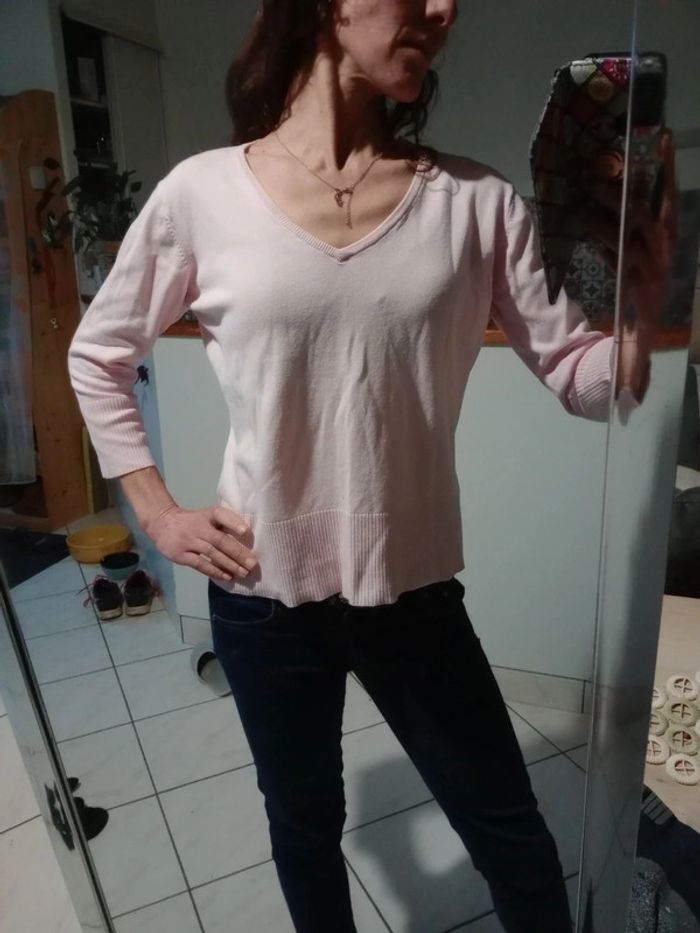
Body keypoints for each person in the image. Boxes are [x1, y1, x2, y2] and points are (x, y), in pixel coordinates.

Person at [67, 2, 667, 930]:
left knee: (511, 835)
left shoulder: (476, 202)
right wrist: (159, 511)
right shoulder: (202, 194)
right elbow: (97, 352)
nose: (444, 9)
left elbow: (583, 380)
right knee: (305, 827)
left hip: (413, 592)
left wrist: (641, 307)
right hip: (261, 589)